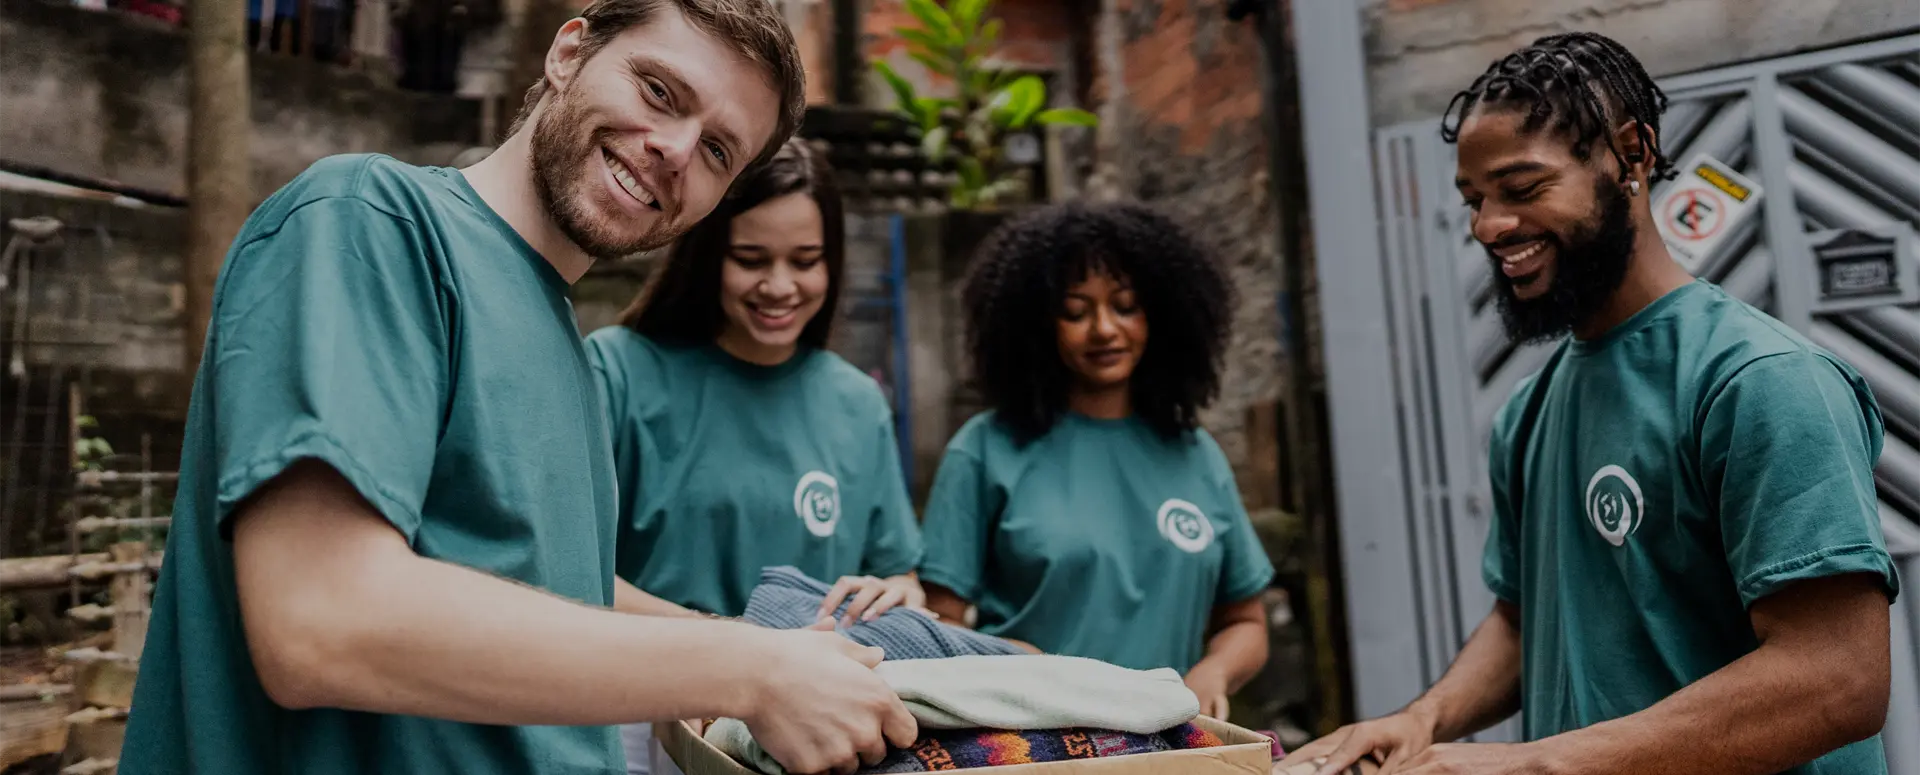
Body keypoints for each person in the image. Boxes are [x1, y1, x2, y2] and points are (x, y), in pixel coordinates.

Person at [120, 1, 920, 773]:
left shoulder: (567, 351)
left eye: (718, 151)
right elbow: (322, 618)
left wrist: (786, 650)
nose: (676, 149)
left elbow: (550, 596)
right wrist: (748, 668)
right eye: (659, 91)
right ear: (568, 51)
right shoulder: (373, 221)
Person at [1281, 31, 1900, 775]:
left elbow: (1837, 680)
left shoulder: (1762, 381)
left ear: (1631, 154)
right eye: (1475, 199)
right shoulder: (1528, 411)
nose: (1488, 225)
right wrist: (1422, 718)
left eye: (1522, 187)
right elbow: (1523, 618)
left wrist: (1535, 764)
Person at [584, 136, 927, 774]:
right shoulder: (620, 373)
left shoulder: (857, 402)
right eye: (750, 258)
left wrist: (895, 593)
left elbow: (899, 571)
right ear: (707, 254)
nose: (779, 286)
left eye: (805, 260)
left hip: (816, 727)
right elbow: (569, 571)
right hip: (648, 717)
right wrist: (738, 647)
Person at [915, 200, 1276, 722]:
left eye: (1125, 306)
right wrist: (1018, 666)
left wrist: (1213, 673)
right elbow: (935, 627)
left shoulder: (1195, 453)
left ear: (1162, 314)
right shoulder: (986, 449)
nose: (1104, 329)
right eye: (1075, 312)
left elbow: (1246, 621)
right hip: (1036, 748)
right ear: (1038, 324)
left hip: (1168, 747)